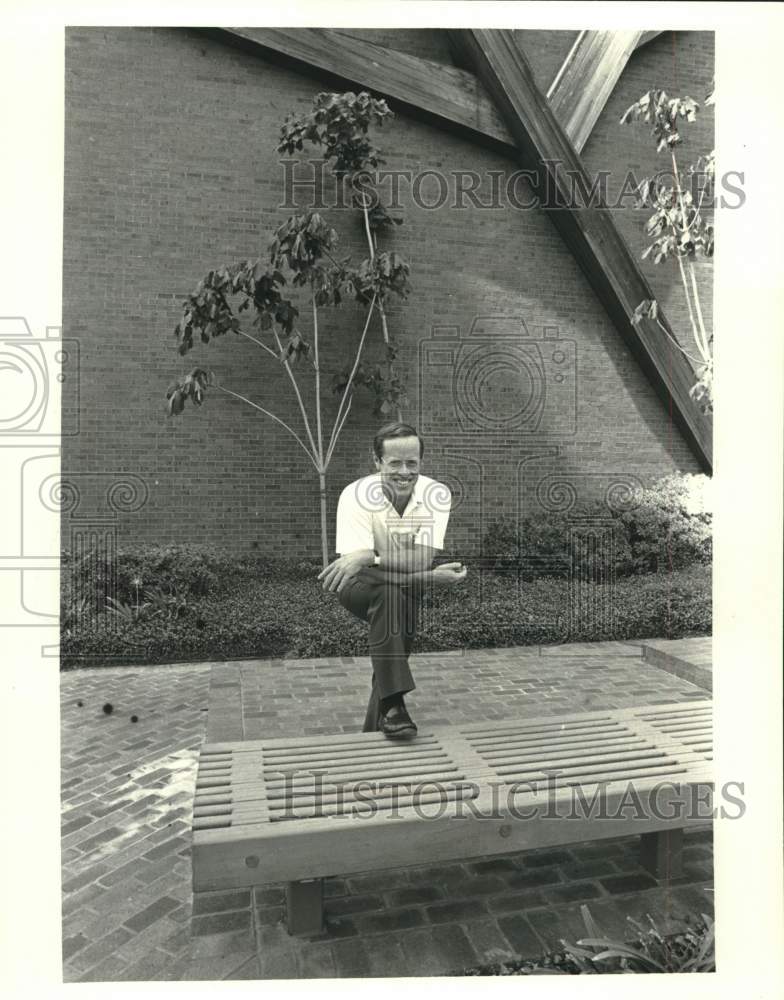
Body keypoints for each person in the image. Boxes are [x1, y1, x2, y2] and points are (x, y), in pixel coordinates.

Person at [317, 422, 467, 738]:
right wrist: (424, 577)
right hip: (357, 588)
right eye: (394, 463)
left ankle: (389, 713)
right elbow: (356, 569)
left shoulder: (435, 494)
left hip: (395, 591)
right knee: (389, 597)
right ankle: (394, 707)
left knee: (392, 618)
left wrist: (373, 556)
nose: (404, 472)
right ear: (377, 462)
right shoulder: (356, 495)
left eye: (412, 463)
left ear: (421, 462)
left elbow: (420, 558)